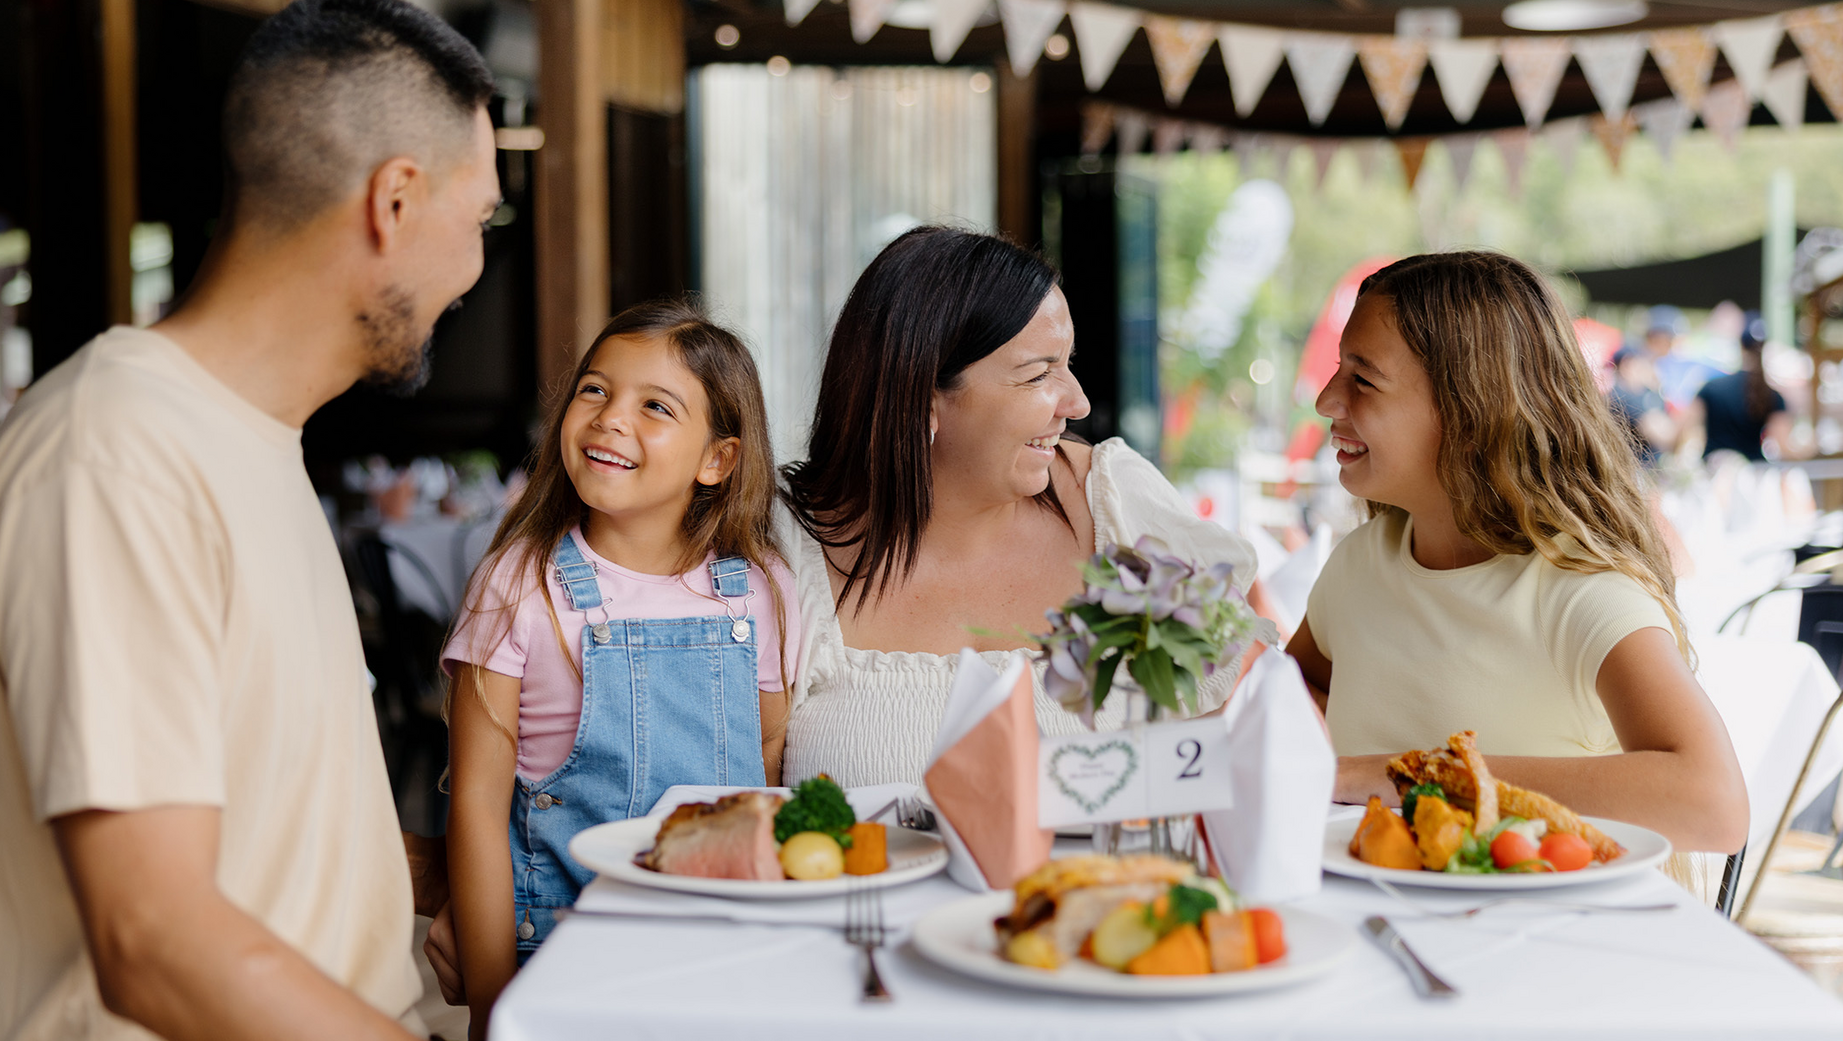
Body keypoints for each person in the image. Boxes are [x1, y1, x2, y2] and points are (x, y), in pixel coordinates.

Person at [0, 0, 500, 1040]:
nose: (474, 267)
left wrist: (452, 874)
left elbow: (270, 825)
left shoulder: (249, 440)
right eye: (480, 218)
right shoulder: (115, 451)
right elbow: (152, 936)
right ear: (397, 201)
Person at [1287, 252, 1747, 860]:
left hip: (1546, 941)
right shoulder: (1358, 564)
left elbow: (1713, 806)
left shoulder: (1580, 591)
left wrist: (1417, 776)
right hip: (1371, 926)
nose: (1326, 400)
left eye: (1363, 378)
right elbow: (1296, 689)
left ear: (1471, 411)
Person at [777, 227, 1258, 788]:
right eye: (1038, 374)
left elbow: (1243, 718)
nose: (1076, 402)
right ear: (921, 395)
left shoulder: (1115, 507)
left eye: (1067, 363)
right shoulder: (784, 549)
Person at [440, 302, 799, 1036]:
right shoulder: (519, 584)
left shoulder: (759, 588)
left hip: (724, 958)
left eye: (655, 406)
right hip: (562, 960)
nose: (608, 417)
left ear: (717, 459)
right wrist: (491, 1007)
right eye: (594, 390)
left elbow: (764, 762)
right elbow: (476, 807)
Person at [1685, 314, 1796, 463]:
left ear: (1740, 345)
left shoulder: (1711, 387)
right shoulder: (1773, 395)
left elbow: (1685, 429)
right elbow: (1784, 447)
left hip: (1714, 469)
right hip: (1754, 472)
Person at [1607, 344, 1675, 466]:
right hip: (1633, 467)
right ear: (1627, 363)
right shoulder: (1618, 395)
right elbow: (1651, 428)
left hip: (1654, 464)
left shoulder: (1648, 391)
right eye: (1642, 361)